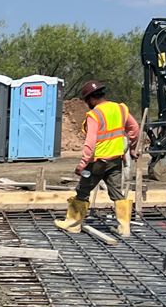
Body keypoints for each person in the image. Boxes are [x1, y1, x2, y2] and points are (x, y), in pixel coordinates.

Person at [55, 80, 141, 238]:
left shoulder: (94, 115)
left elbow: (90, 142)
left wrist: (82, 164)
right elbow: (134, 128)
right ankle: (124, 228)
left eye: (87, 100)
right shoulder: (120, 108)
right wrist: (133, 148)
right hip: (116, 160)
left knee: (83, 191)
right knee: (117, 193)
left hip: (97, 162)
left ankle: (73, 225)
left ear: (91, 98)